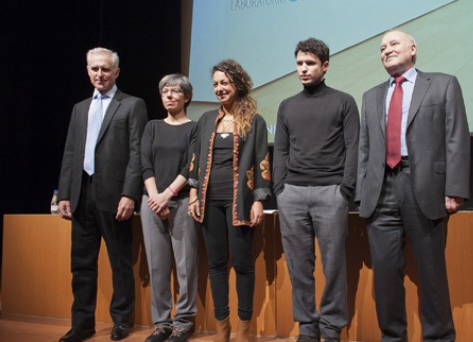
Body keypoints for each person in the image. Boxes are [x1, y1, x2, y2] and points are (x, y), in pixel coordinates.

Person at [356, 30, 470, 342]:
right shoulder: (370, 96)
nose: (386, 50)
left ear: (413, 48)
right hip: (380, 191)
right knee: (385, 276)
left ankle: (439, 337)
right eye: (382, 48)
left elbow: (456, 138)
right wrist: (361, 192)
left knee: (431, 274)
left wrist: (455, 187)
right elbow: (364, 149)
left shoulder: (443, 84)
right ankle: (392, 338)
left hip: (424, 188)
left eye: (393, 44)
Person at [57, 47, 148, 342]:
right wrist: (65, 194)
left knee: (120, 261)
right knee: (81, 263)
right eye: (95, 68)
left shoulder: (132, 105)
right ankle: (82, 324)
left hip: (115, 195)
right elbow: (71, 153)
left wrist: (129, 194)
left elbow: (137, 153)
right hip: (81, 193)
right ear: (87, 70)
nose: (100, 74)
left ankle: (121, 320)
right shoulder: (79, 108)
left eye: (105, 69)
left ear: (116, 72)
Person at [273, 37, 359, 342]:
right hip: (292, 194)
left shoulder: (344, 101)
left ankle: (332, 326)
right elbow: (280, 150)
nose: (303, 69)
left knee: (334, 264)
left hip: (330, 193)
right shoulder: (287, 106)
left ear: (325, 66)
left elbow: (353, 147)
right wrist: (280, 190)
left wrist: (344, 190)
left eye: (310, 63)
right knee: (299, 266)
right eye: (299, 63)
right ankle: (307, 326)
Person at [189, 59, 271, 342]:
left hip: (240, 201)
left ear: (237, 84)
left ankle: (243, 331)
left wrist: (259, 199)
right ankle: (222, 329)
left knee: (243, 263)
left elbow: (262, 161)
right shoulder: (205, 120)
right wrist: (192, 196)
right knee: (216, 263)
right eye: (215, 84)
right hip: (208, 201)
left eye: (224, 83)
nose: (219, 88)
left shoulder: (255, 122)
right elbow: (196, 161)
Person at [140, 74, 198, 342]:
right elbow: (145, 163)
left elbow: (191, 166)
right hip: (151, 202)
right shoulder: (152, 126)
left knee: (185, 266)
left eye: (175, 91)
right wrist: (155, 198)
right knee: (158, 266)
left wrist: (168, 195)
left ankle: (183, 321)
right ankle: (161, 323)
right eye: (165, 91)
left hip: (183, 201)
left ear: (186, 96)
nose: (169, 96)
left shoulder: (194, 128)